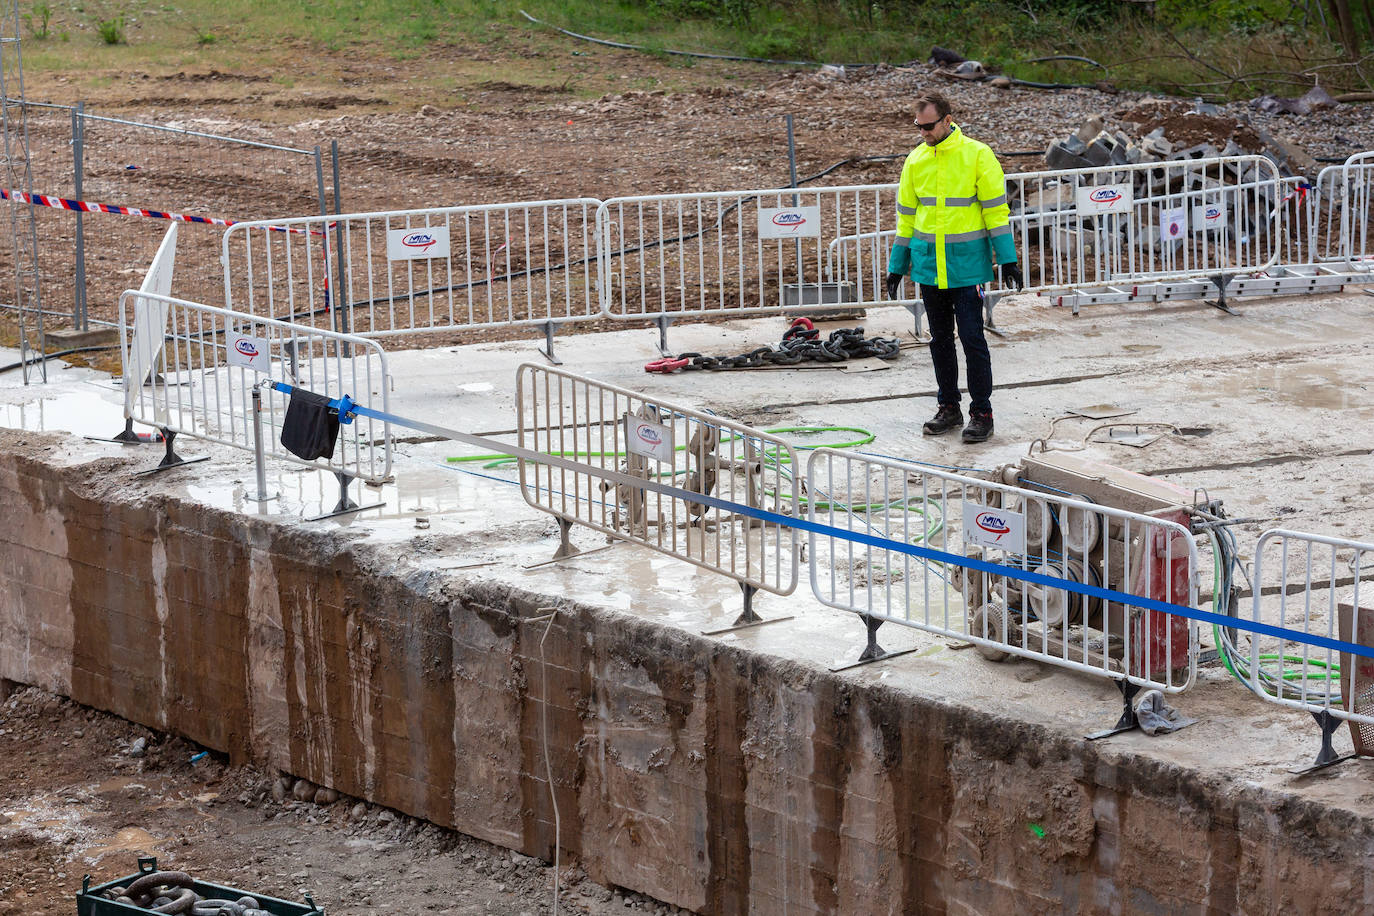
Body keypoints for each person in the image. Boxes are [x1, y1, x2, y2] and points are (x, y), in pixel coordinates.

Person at [885, 90, 1023, 444]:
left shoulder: (978, 155)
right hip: (930, 270)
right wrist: (897, 266)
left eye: (928, 126)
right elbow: (906, 220)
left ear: (947, 120)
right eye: (918, 127)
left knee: (973, 339)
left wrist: (1008, 258)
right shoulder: (915, 161)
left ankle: (982, 412)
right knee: (940, 341)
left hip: (968, 269)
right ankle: (949, 406)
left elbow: (996, 211)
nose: (923, 133)